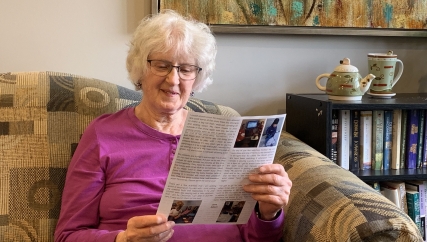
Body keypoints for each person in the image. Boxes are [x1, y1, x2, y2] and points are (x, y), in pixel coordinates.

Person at [54, 10, 292, 242]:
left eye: (186, 69)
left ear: (196, 77)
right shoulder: (103, 134)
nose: (173, 79)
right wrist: (124, 239)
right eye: (161, 65)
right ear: (140, 69)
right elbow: (68, 235)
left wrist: (268, 212)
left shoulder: (227, 135)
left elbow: (258, 238)